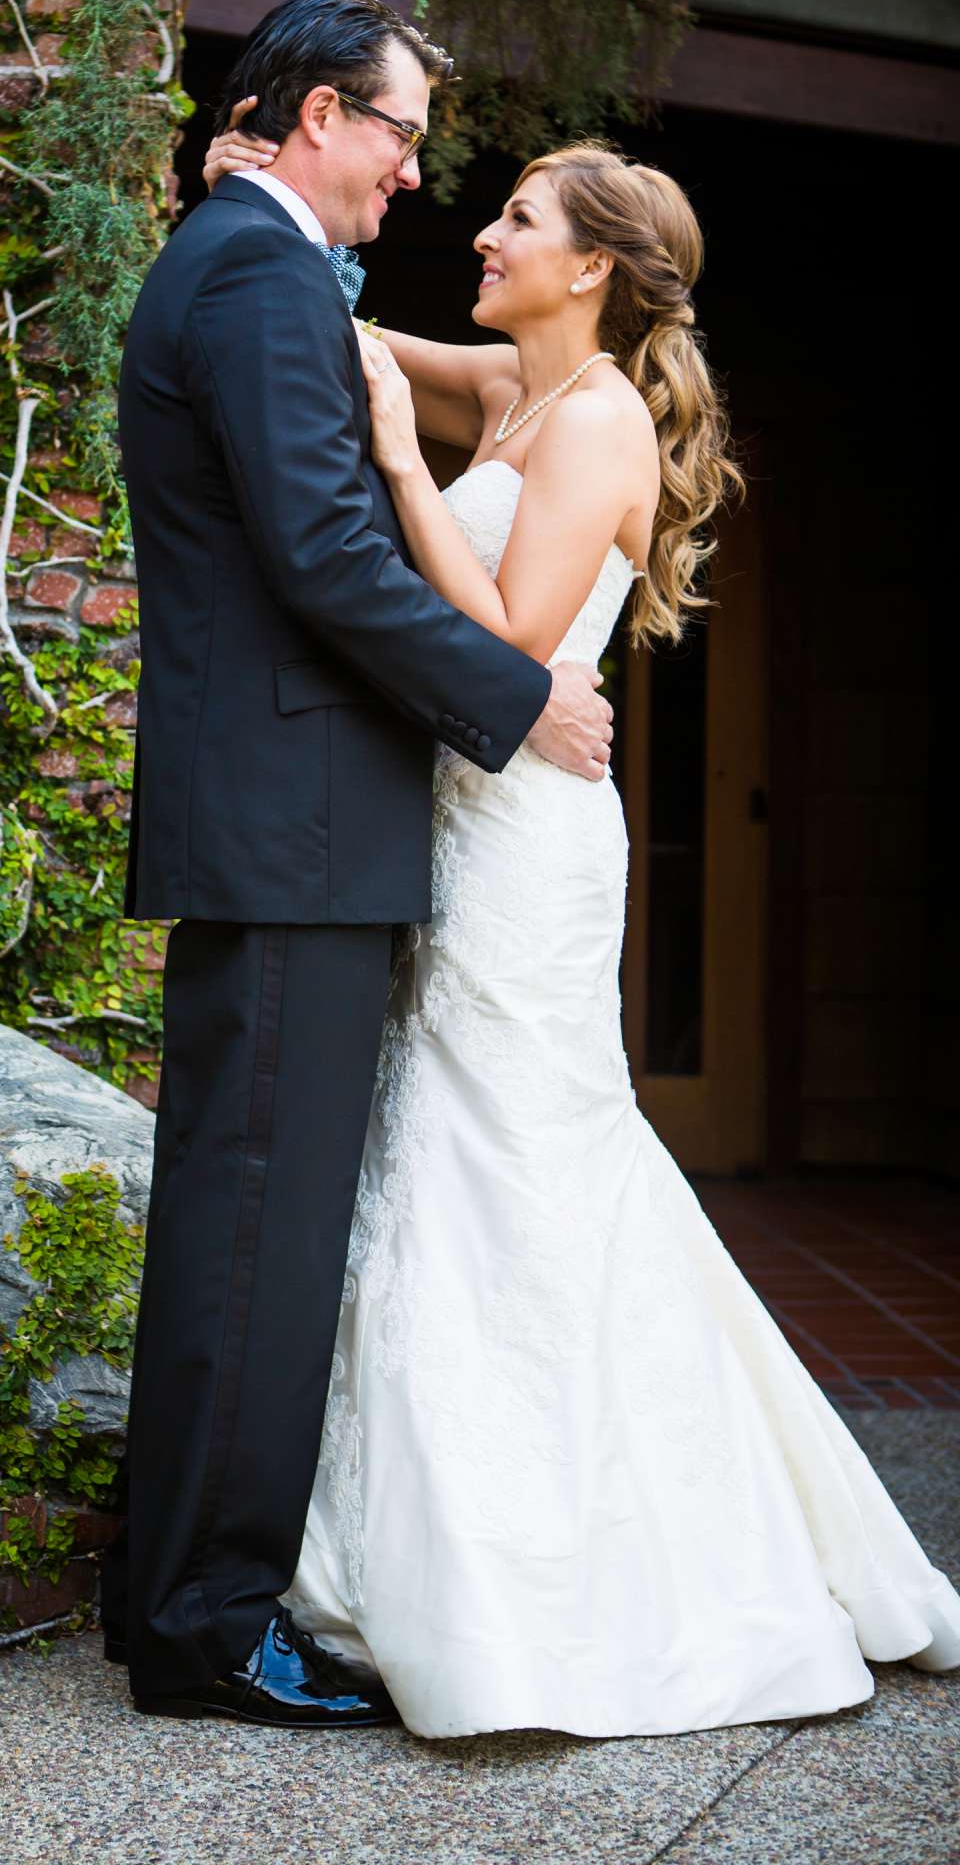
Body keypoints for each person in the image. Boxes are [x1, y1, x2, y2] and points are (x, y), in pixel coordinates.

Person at [192, 104, 960, 1736]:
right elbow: (334, 311)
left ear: (591, 267)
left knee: (528, 1159)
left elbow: (516, 641)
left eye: (517, 220)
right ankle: (401, 1525)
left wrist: (401, 462)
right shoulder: (514, 380)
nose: (480, 233)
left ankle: (584, 1556)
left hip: (528, 840)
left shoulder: (598, 418)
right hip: (456, 821)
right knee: (440, 1156)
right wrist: (257, 191)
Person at [104, 0, 615, 1726]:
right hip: (294, 822)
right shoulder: (250, 273)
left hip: (284, 820)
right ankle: (208, 1626)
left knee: (240, 1222)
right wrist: (515, 695)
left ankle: (166, 1600)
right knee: (260, 1235)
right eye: (399, 133)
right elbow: (324, 554)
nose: (415, 171)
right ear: (319, 115)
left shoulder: (250, 255)